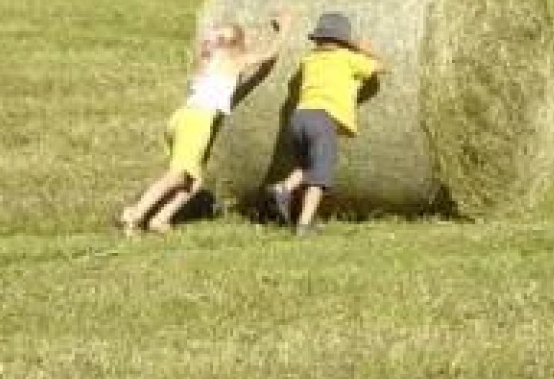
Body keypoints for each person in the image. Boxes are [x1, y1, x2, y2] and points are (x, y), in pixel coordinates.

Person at [120, 13, 289, 236]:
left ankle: (161, 219)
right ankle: (135, 214)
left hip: (182, 118)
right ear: (237, 44)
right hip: (197, 122)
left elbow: (229, 90)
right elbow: (269, 56)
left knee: (195, 182)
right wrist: (285, 28)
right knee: (176, 176)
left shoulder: (209, 60)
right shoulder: (233, 59)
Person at [267, 12, 385, 237]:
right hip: (324, 120)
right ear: (344, 41)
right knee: (320, 177)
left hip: (299, 117)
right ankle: (303, 225)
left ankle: (283, 189)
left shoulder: (309, 60)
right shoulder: (349, 58)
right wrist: (362, 48)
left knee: (308, 167)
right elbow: (381, 66)